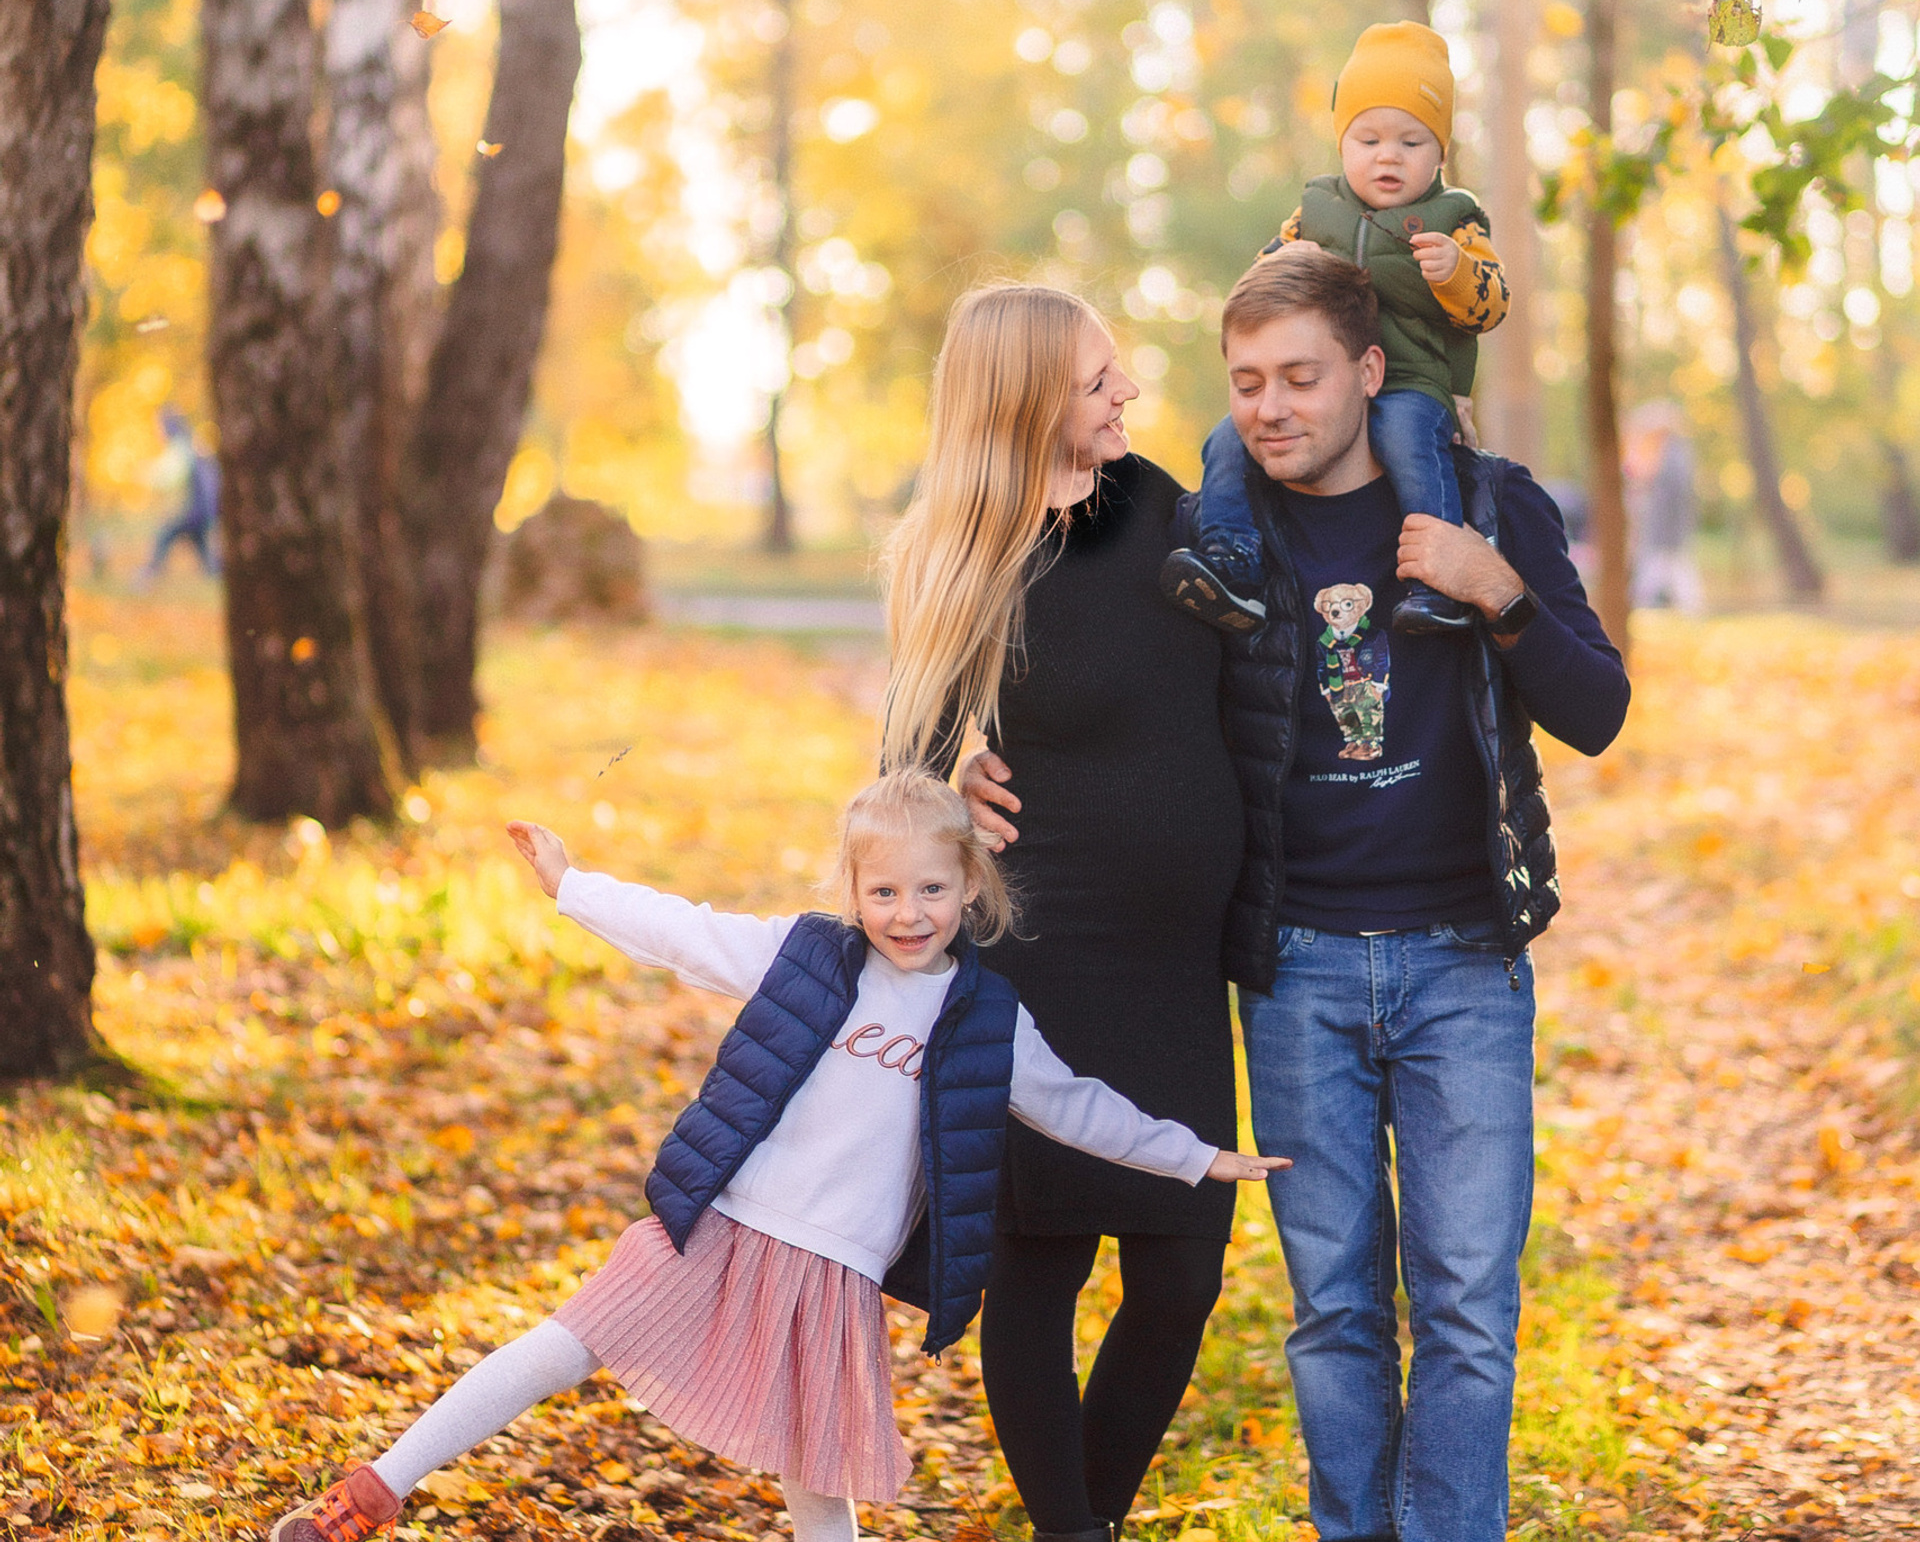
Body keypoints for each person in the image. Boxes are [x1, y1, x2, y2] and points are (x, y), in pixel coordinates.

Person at [964, 246, 1630, 1542]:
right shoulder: (1222, 528)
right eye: (1248, 381)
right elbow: (1011, 627)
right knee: (1330, 1307)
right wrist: (948, 762)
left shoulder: (1485, 506)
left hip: (1462, 965)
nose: (1270, 406)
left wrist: (1497, 594)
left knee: (1464, 1308)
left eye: (1302, 378)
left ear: (1370, 375)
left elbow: (1597, 710)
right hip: (1295, 966)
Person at [268, 772, 1283, 1542]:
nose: (908, 911)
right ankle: (374, 1490)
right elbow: (690, 935)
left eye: (932, 887)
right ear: (853, 888)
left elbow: (1073, 1108)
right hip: (724, 1223)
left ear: (969, 884)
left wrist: (1195, 1159)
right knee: (561, 1344)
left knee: (816, 1476)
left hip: (835, 1270)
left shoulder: (985, 1016)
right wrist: (576, 886)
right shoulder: (809, 956)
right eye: (883, 890)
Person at [882, 283, 1249, 1542]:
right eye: (1099, 382)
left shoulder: (1155, 503)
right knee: (1042, 1271)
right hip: (1042, 956)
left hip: (1176, 968)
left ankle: (1079, 1523)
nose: (1125, 395)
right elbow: (903, 782)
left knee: (1183, 1268)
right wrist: (949, 783)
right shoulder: (962, 553)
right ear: (1029, 398)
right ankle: (1072, 1531)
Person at [1162, 21, 1507, 636]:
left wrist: (1456, 272)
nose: (1388, 156)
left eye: (1412, 142)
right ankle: (1233, 560)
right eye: (1368, 138)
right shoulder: (1317, 211)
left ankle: (1436, 580)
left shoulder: (1456, 220)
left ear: (1440, 154)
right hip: (1330, 380)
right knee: (1224, 441)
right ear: (1342, 144)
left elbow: (1491, 304)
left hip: (1411, 380)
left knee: (1405, 438)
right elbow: (1264, 282)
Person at [1626, 399, 1704, 612]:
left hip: (1666, 531)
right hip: (1663, 530)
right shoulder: (1670, 454)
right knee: (1668, 572)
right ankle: (1686, 611)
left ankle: (1641, 609)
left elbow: (1668, 495)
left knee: (1668, 571)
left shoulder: (1672, 456)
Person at [141, 407, 221, 579]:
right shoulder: (191, 443)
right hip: (204, 510)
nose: (159, 431)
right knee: (201, 547)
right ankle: (218, 572)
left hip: (194, 511)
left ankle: (149, 573)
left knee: (165, 535)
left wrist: (144, 475)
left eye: (160, 426)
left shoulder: (181, 447)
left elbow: (169, 477)